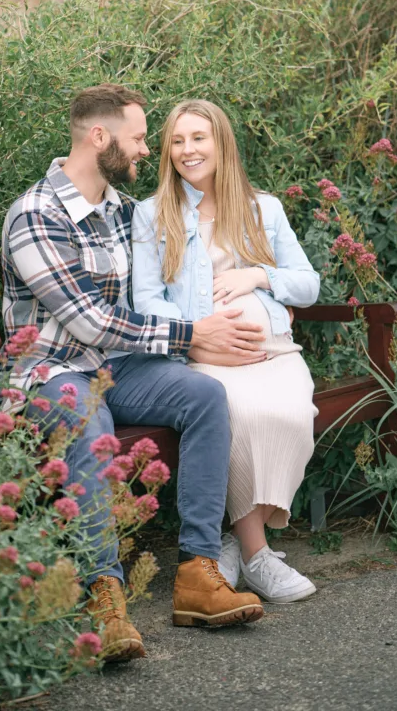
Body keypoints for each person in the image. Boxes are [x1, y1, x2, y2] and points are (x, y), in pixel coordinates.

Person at [0, 85, 268, 663]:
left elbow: (147, 298)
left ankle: (198, 573)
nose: (148, 149)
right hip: (51, 371)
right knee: (89, 425)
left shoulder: (122, 211)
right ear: (100, 138)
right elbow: (89, 322)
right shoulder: (35, 215)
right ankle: (105, 596)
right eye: (140, 137)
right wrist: (193, 335)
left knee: (204, 395)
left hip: (117, 366)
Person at [132, 99, 320, 604]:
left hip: (273, 352)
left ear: (221, 144)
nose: (188, 150)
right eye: (177, 140)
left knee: (292, 415)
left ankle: (234, 543)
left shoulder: (265, 208)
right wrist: (203, 337)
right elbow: (145, 302)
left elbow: (307, 285)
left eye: (199, 138)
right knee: (240, 414)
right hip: (203, 358)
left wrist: (256, 275)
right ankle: (259, 557)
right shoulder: (152, 216)